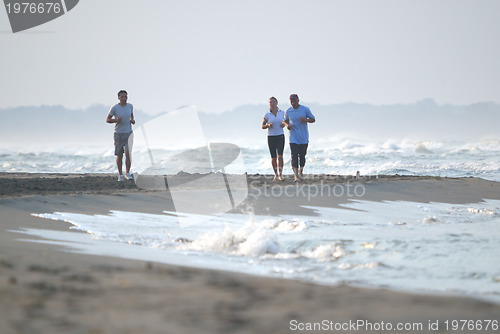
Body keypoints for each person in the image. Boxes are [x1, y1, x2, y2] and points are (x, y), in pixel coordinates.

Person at [283, 94, 315, 182]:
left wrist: (306, 120)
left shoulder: (305, 109)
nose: (292, 102)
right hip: (293, 137)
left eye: (294, 100)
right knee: (294, 156)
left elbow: (313, 119)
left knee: (302, 156)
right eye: (291, 100)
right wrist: (287, 125)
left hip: (303, 137)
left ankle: (301, 171)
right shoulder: (288, 111)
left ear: (298, 100)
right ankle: (296, 176)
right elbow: (285, 121)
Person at [106, 90, 135, 181]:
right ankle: (120, 174)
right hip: (118, 134)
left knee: (128, 153)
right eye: (122, 97)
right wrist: (116, 120)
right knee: (120, 155)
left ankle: (128, 173)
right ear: (118, 98)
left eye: (125, 97)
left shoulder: (130, 106)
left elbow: (131, 115)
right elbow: (107, 119)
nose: (124, 98)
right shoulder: (115, 108)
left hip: (129, 133)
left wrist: (132, 120)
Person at [262, 96, 285, 181]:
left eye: (273, 102)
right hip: (271, 137)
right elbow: (262, 126)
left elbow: (286, 121)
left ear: (277, 102)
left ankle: (281, 174)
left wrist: (284, 124)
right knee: (273, 157)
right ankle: (275, 174)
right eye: (270, 102)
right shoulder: (267, 114)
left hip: (280, 136)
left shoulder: (282, 112)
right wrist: (267, 125)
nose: (272, 104)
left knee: (280, 156)